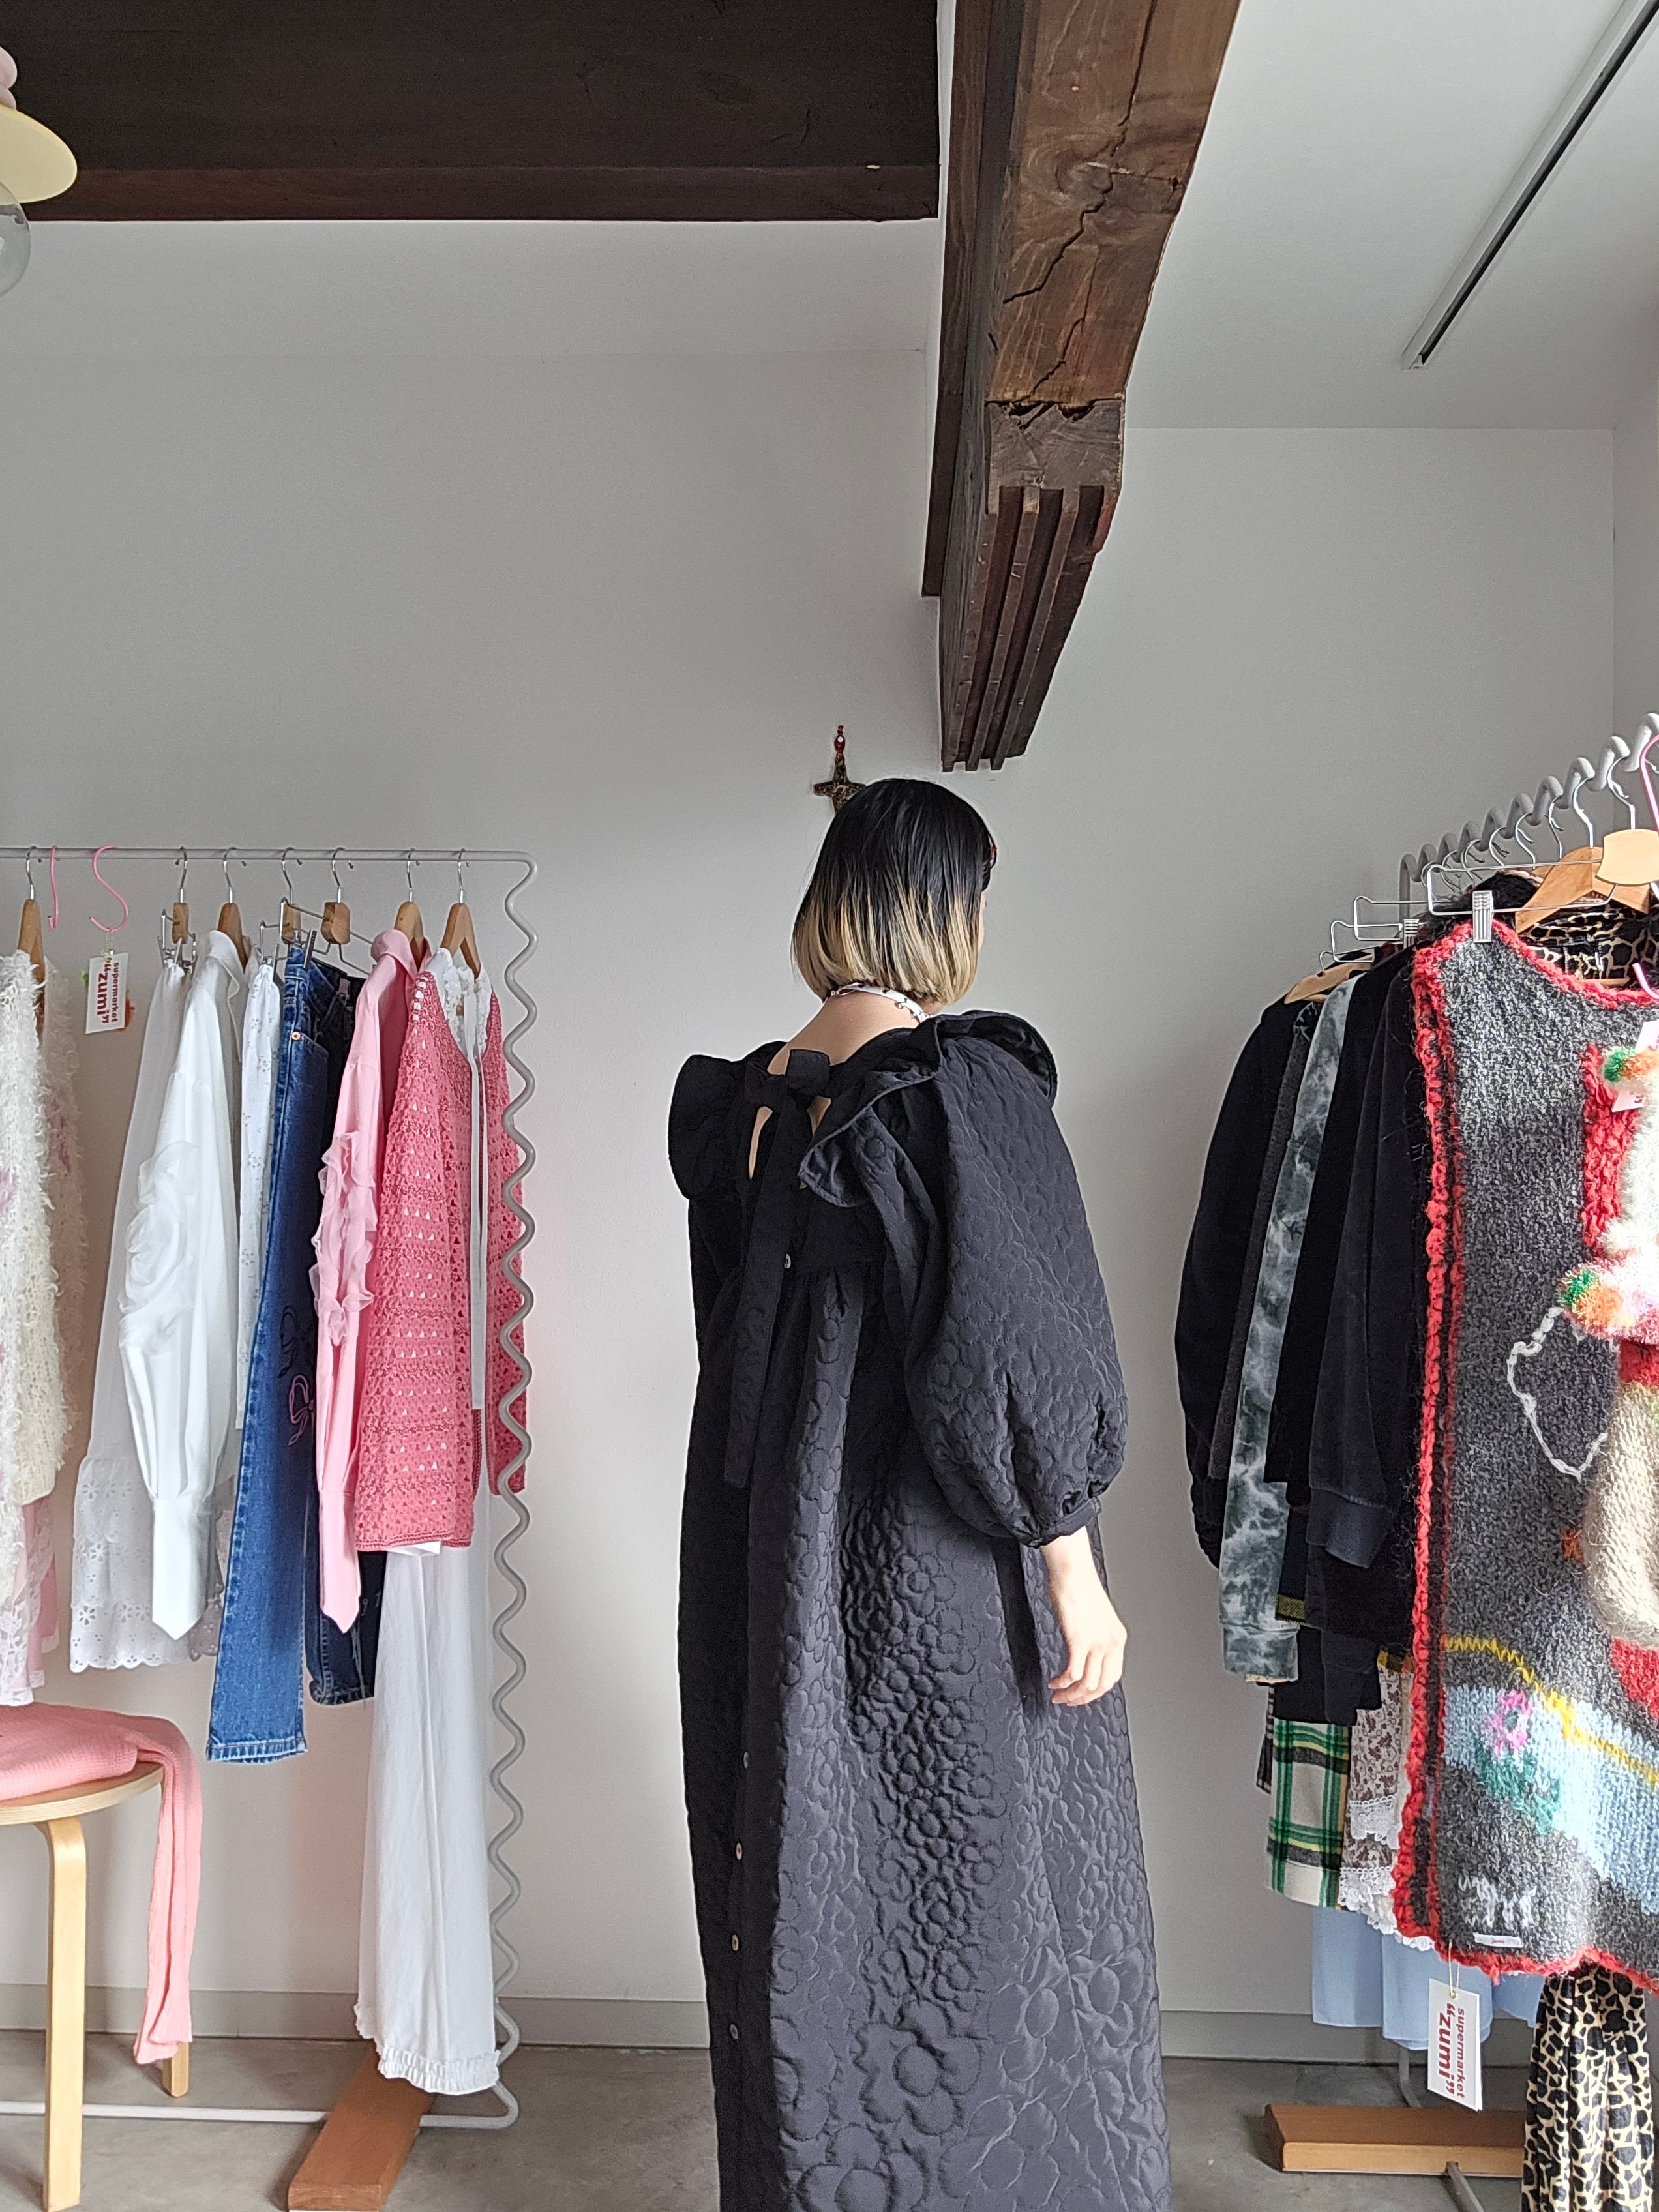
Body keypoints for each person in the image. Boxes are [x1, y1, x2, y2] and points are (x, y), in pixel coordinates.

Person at [669, 778, 1169, 2211]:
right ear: (944, 909)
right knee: (988, 1904)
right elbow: (1015, 1347)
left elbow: (744, 1342)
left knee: (811, 1881)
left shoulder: (758, 1101)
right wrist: (1072, 1568)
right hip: (929, 1556)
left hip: (771, 1553)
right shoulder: (960, 1093)